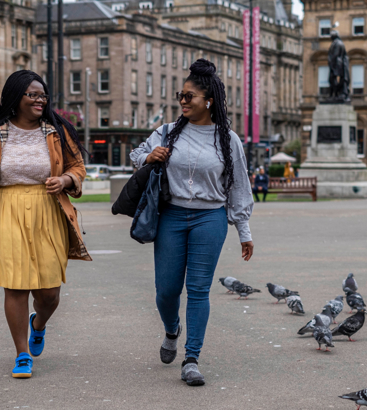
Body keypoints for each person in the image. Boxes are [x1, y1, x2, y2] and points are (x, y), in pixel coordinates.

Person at [0, 70, 92, 379]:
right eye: (33, 95)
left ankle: (38, 324)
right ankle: (22, 353)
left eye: (43, 95)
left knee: (49, 292)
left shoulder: (57, 131)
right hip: (4, 210)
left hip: (47, 210)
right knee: (15, 285)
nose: (40, 100)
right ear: (16, 98)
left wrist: (66, 179)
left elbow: (78, 167)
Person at [129, 59, 254, 386]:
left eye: (189, 96)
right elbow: (135, 154)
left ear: (208, 100)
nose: (182, 101)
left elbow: (239, 186)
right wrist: (148, 156)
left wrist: (244, 231)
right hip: (170, 216)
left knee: (198, 290)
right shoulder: (167, 132)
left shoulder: (228, 139)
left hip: (210, 219)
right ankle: (172, 330)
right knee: (166, 291)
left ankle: (192, 358)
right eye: (180, 95)